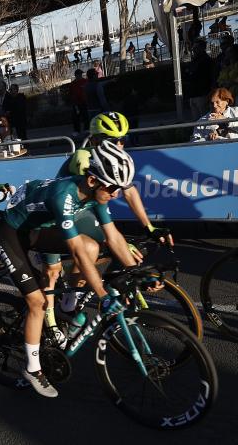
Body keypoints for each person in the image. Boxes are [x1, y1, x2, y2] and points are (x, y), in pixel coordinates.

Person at [0, 143, 139, 397]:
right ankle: (32, 368)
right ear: (93, 180)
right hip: (12, 233)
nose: (116, 194)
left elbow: (115, 238)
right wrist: (103, 296)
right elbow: (75, 252)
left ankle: (65, 305)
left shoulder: (96, 193)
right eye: (113, 187)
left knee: (92, 246)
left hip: (38, 230)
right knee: (37, 303)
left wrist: (138, 272)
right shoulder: (65, 194)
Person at [47, 117, 173, 332]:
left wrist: (148, 227)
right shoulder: (84, 157)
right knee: (89, 248)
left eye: (122, 139)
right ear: (96, 140)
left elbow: (129, 190)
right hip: (66, 211)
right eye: (112, 140)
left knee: (114, 245)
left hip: (87, 210)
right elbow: (90, 204)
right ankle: (67, 304)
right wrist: (116, 241)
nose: (119, 145)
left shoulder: (115, 158)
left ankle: (81, 293)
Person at [186, 39, 216, 120]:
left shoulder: (206, 60)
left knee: (204, 117)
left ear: (202, 48)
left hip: (202, 93)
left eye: (196, 47)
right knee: (196, 119)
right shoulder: (194, 60)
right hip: (193, 93)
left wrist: (210, 91)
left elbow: (211, 76)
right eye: (193, 47)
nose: (193, 49)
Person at [69, 69, 88, 135]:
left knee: (86, 115)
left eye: (81, 74)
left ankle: (86, 128)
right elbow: (71, 93)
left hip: (84, 102)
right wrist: (73, 102)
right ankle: (77, 130)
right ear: (76, 75)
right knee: (76, 117)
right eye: (79, 74)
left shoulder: (85, 81)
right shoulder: (73, 84)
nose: (80, 76)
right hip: (76, 103)